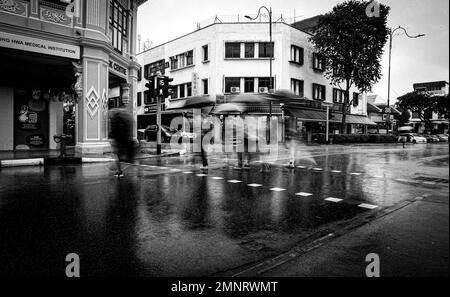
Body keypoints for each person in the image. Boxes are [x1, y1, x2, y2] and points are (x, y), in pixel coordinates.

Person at [109, 105, 134, 178]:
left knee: (117, 155)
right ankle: (121, 169)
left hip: (118, 139)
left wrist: (113, 138)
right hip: (124, 138)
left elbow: (113, 130)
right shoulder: (125, 116)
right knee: (121, 155)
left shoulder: (115, 117)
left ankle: (119, 171)